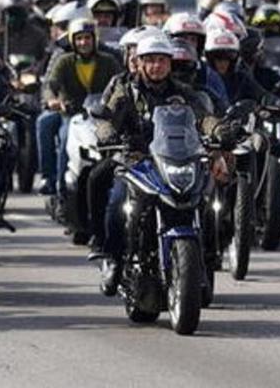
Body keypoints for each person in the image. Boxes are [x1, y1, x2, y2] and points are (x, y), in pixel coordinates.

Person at [93, 35, 227, 294]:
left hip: (178, 158)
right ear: (140, 63)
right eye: (151, 61)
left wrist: (219, 130)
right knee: (118, 203)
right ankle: (112, 258)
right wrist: (106, 133)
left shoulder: (182, 92)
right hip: (138, 161)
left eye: (162, 61)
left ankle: (208, 259)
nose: (157, 66)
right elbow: (106, 118)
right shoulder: (126, 92)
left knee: (209, 201)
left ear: (170, 64)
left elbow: (203, 116)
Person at [37, 19, 123, 196]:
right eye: (79, 39)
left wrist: (115, 103)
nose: (84, 43)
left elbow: (120, 86)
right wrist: (52, 100)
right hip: (71, 115)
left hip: (101, 116)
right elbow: (50, 85)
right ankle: (58, 186)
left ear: (95, 39)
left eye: (87, 38)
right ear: (72, 41)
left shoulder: (109, 61)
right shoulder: (64, 61)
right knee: (61, 137)